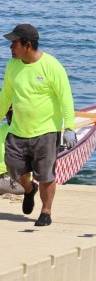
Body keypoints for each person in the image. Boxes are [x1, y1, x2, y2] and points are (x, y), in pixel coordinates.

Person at [0, 24, 77, 226]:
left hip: (46, 131)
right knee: (15, 169)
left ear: (27, 45)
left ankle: (46, 211)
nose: (10, 47)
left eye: (14, 43)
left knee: (46, 175)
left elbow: (65, 98)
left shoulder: (51, 66)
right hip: (18, 130)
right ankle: (28, 189)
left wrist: (69, 127)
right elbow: (6, 95)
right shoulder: (12, 66)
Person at [0, 107, 24, 195]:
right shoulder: (2, 129)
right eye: (8, 113)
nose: (9, 116)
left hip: (15, 177)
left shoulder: (26, 130)